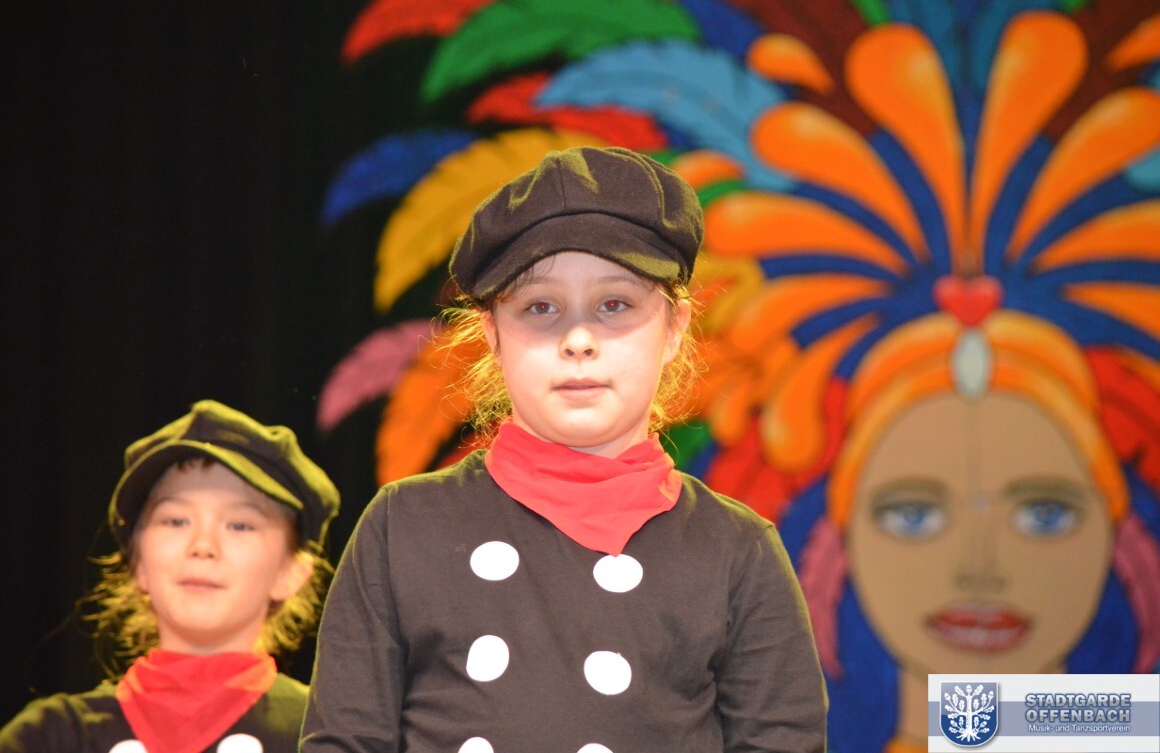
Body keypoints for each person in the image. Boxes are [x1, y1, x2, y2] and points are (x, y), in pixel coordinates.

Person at [301, 146, 828, 752]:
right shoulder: (404, 526)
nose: (578, 339)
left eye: (614, 305)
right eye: (540, 307)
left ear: (674, 329)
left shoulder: (736, 549)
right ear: (493, 334)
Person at [0, 399, 340, 753]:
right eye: (176, 521)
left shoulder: (328, 736)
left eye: (240, 525)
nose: (203, 545)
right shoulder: (51, 737)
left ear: (291, 573)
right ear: (138, 563)